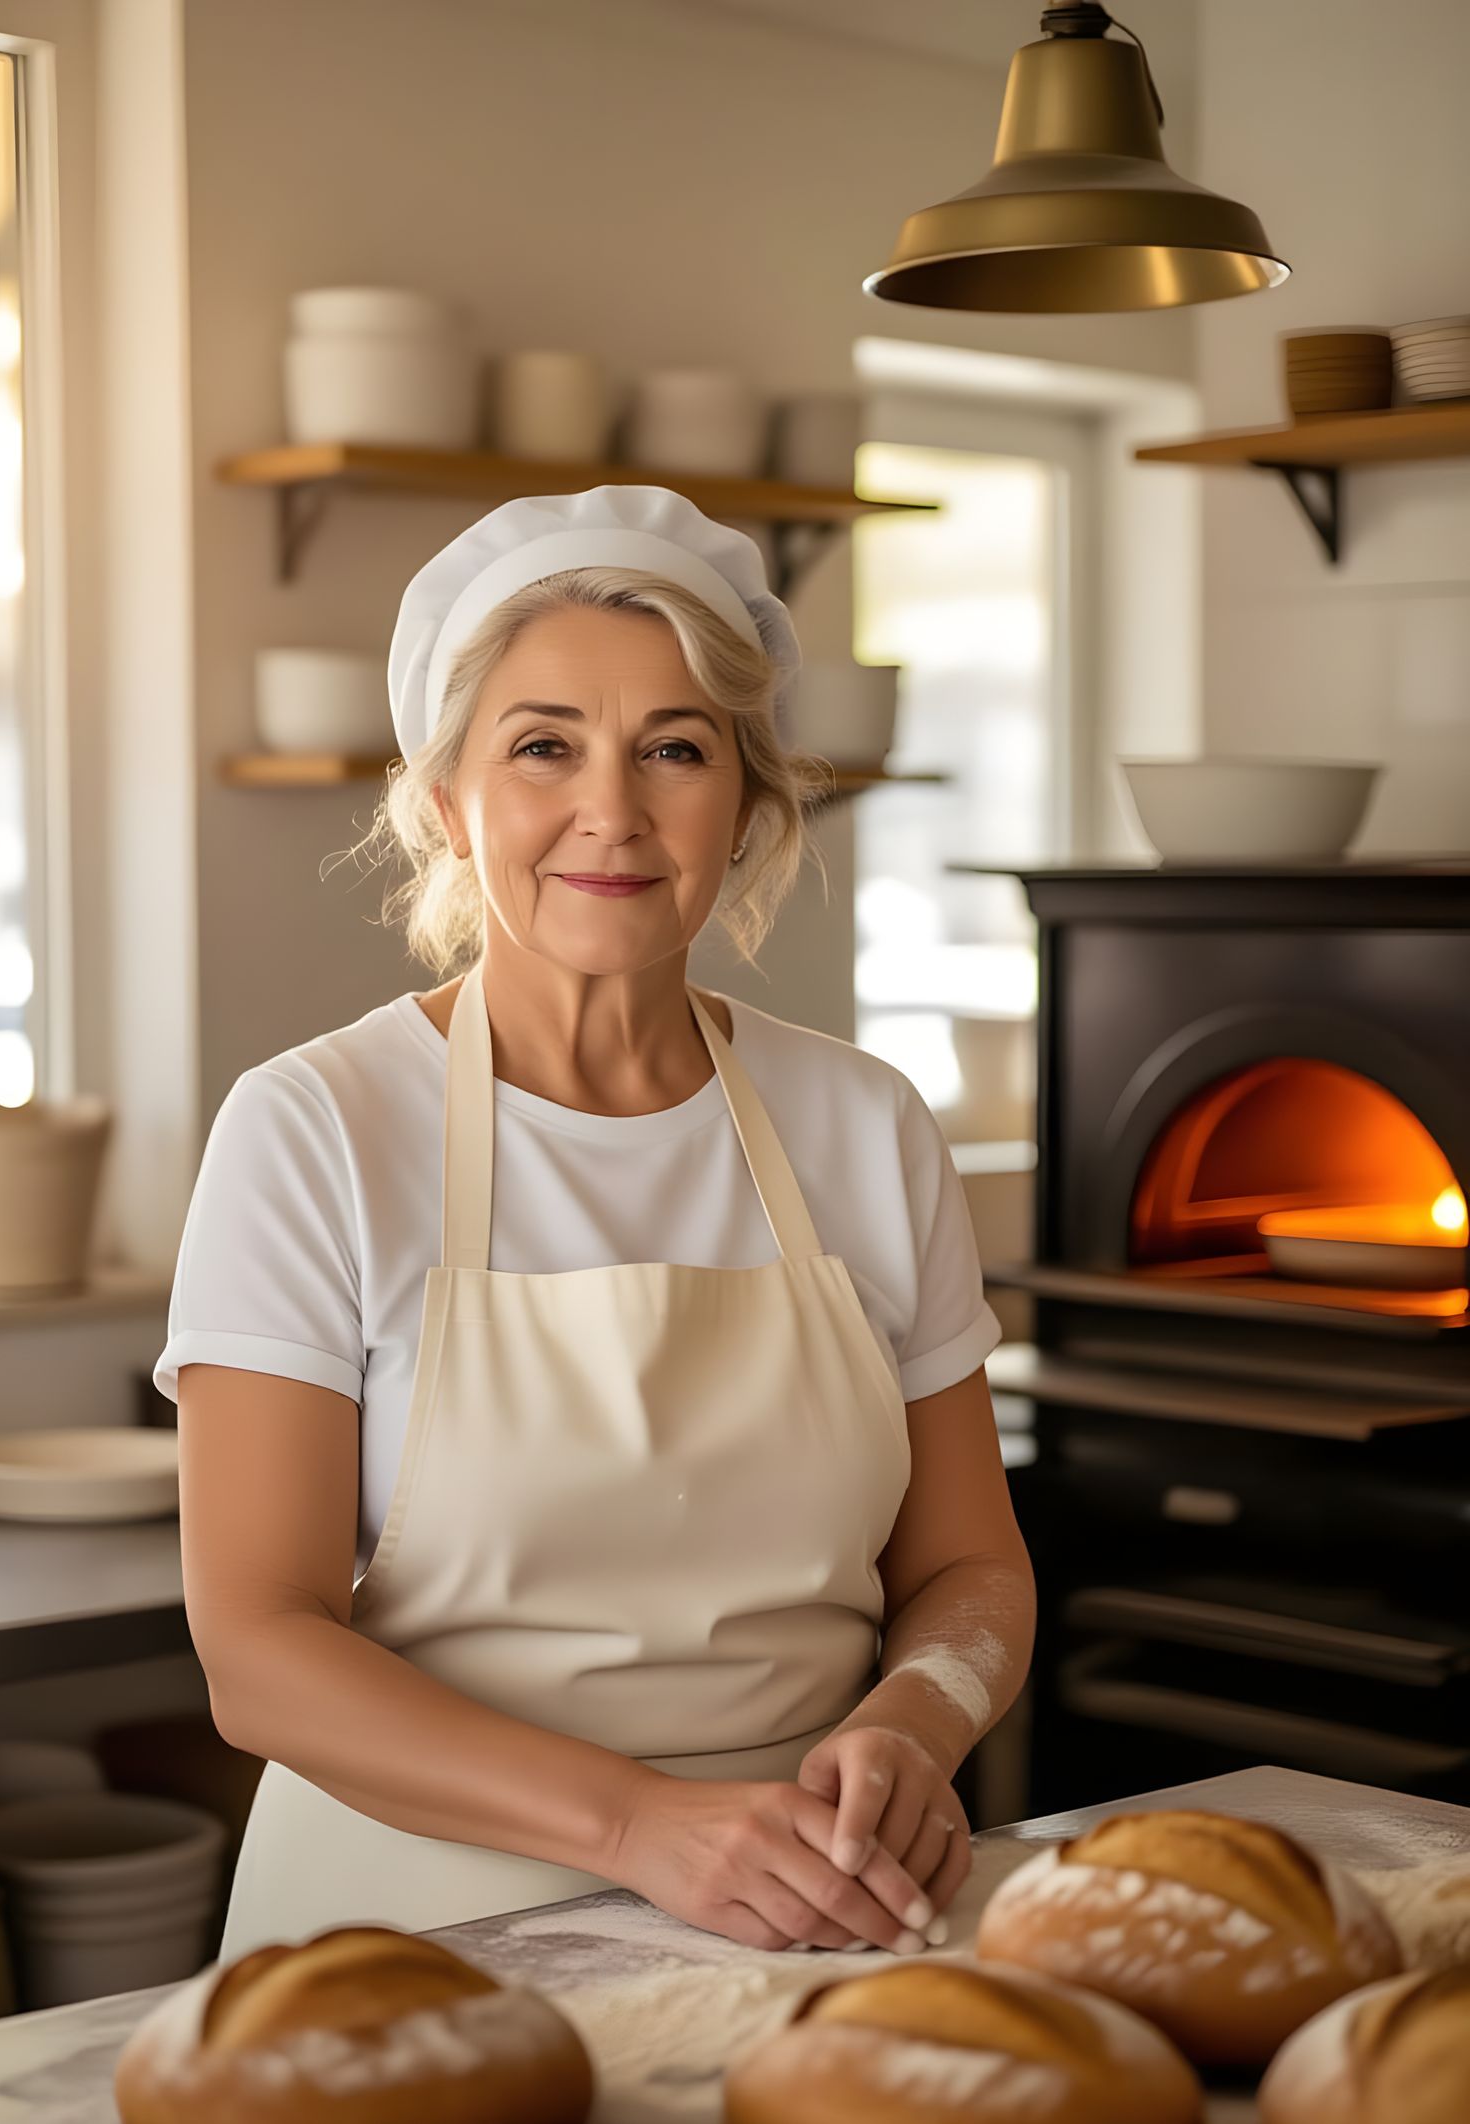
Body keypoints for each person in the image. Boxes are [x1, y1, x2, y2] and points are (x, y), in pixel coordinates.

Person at [154, 483, 1035, 1964]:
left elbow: (972, 1569)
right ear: (449, 803)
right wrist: (638, 1827)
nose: (611, 813)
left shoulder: (864, 1125)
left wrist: (915, 1725)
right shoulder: (317, 1129)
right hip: (417, 1925)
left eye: (675, 750)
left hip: (813, 1898)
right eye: (543, 746)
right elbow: (260, 1651)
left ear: (748, 805)